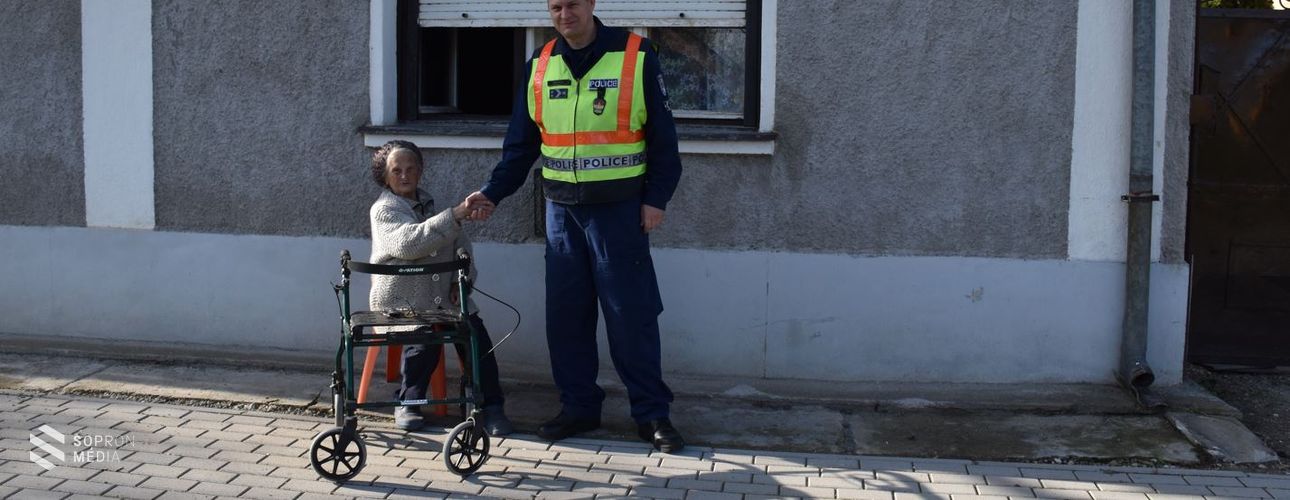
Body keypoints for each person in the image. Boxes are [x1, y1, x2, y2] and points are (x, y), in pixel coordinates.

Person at [466, 0, 684, 452]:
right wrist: (492, 192)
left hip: (621, 211)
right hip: (562, 213)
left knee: (631, 316)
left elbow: (664, 140)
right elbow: (520, 146)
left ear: (591, 5)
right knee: (567, 319)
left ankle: (652, 415)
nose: (565, 14)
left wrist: (655, 199)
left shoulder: (636, 55)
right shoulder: (540, 65)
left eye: (573, 4)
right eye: (556, 6)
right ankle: (580, 408)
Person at [368, 140, 513, 436]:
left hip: (443, 299)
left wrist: (464, 284)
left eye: (411, 169)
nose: (405, 175)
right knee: (425, 340)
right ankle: (409, 402)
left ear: (420, 171)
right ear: (385, 176)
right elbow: (409, 243)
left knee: (476, 336)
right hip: (403, 301)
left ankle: (489, 405)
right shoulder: (384, 210)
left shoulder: (430, 205)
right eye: (397, 171)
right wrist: (457, 213)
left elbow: (463, 250)